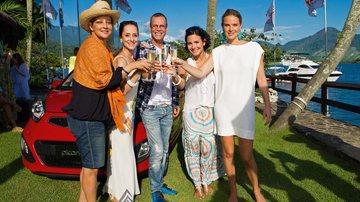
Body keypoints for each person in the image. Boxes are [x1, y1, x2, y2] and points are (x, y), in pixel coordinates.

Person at [172, 9, 271, 202]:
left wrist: (267, 105)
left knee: (246, 156)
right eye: (227, 25)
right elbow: (200, 73)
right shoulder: (217, 52)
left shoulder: (255, 49)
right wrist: (182, 63)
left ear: (240, 26)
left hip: (244, 109)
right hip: (224, 109)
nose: (231, 28)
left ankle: (257, 191)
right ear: (222, 27)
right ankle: (233, 192)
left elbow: (262, 79)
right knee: (227, 153)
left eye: (234, 25)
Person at [63, 2, 150, 202]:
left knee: (88, 167)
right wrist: (136, 67)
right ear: (91, 25)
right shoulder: (93, 48)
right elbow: (108, 81)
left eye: (108, 22)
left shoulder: (101, 47)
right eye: (100, 22)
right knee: (92, 168)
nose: (105, 25)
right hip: (88, 117)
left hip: (92, 116)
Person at [166, 26, 225, 199]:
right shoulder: (186, 63)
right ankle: (197, 184)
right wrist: (175, 77)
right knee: (192, 149)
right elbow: (182, 85)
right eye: (190, 43)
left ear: (204, 42)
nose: (193, 46)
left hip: (210, 112)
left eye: (196, 42)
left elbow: (209, 77)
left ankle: (206, 179)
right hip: (191, 111)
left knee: (208, 149)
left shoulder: (213, 60)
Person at [135, 12, 179, 202]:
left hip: (167, 106)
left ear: (166, 28)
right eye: (155, 26)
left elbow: (175, 80)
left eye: (162, 26)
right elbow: (129, 52)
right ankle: (155, 189)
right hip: (150, 107)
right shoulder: (144, 49)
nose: (158, 29)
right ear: (150, 28)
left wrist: (175, 102)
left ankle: (159, 183)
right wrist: (148, 71)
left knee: (164, 149)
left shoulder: (172, 50)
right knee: (158, 149)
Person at [102, 20, 144, 201]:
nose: (131, 38)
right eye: (127, 35)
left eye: (134, 35)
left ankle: (112, 189)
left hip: (129, 110)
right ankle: (122, 195)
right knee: (123, 154)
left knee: (120, 152)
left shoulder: (132, 59)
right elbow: (118, 91)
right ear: (120, 37)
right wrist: (138, 73)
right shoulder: (121, 60)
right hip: (121, 113)